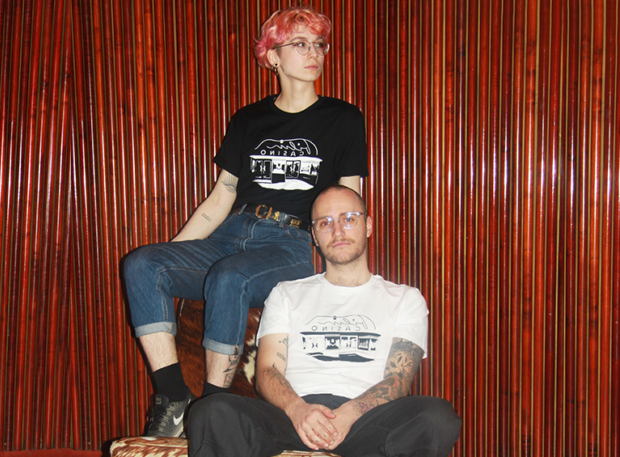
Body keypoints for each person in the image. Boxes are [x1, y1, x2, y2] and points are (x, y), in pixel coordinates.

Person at [122, 7, 368, 436]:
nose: (314, 53)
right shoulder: (249, 118)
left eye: (319, 44)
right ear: (272, 56)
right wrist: (174, 256)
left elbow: (349, 201)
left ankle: (212, 410)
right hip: (231, 232)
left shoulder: (343, 118)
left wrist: (346, 271)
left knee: (229, 277)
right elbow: (221, 197)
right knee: (142, 264)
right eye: (300, 44)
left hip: (288, 244)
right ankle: (173, 397)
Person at [187, 185, 462, 456]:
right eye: (325, 223)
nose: (338, 231)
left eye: (348, 219)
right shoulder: (285, 293)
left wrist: (348, 414)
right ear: (314, 236)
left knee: (436, 417)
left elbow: (398, 380)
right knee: (212, 411)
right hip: (293, 417)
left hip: (366, 421)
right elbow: (268, 371)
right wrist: (298, 410)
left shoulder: (405, 298)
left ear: (368, 225)